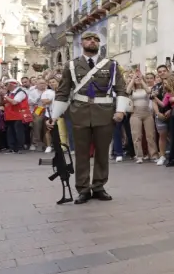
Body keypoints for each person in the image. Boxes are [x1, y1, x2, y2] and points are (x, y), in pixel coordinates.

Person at [47, 32, 130, 204]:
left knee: (102, 152)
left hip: (104, 112)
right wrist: (54, 116)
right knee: (82, 153)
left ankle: (99, 186)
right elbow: (63, 92)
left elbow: (121, 89)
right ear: (81, 42)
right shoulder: (71, 65)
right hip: (80, 112)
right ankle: (83, 189)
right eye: (88, 39)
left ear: (99, 44)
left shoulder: (111, 64)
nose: (92, 41)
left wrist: (121, 110)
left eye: (96, 39)